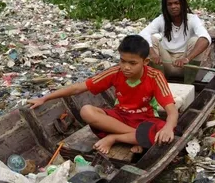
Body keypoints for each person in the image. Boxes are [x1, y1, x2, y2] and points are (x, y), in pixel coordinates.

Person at [27, 35, 178, 155]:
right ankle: (137, 137)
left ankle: (115, 138)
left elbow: (171, 111)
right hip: (120, 118)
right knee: (86, 111)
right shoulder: (115, 73)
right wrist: (44, 98)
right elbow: (77, 88)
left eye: (132, 63)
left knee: (165, 132)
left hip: (144, 119)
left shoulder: (155, 76)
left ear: (145, 62)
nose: (126, 67)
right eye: (122, 61)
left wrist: (168, 128)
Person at [139, 0, 211, 83]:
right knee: (151, 39)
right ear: (166, 7)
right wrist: (153, 54)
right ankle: (159, 83)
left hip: (186, 64)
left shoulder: (192, 19)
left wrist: (187, 58)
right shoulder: (161, 19)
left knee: (195, 40)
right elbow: (142, 34)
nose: (173, 6)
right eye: (170, 4)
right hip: (165, 63)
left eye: (177, 3)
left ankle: (188, 84)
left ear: (183, 4)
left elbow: (206, 38)